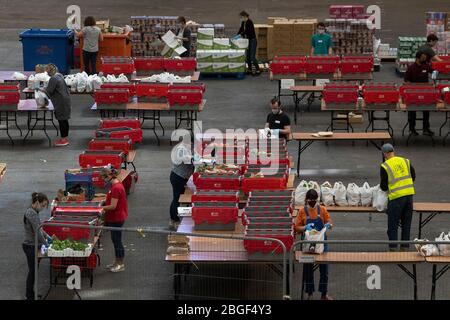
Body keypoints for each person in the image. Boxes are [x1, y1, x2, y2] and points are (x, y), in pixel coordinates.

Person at [294, 189, 333, 300]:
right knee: (308, 269)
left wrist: (328, 225)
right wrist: (305, 227)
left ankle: (323, 294)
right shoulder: (302, 211)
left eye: (314, 200)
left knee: (324, 269)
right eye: (310, 200)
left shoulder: (323, 210)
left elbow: (329, 221)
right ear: (306, 200)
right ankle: (309, 293)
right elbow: (296, 227)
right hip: (307, 245)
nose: (312, 202)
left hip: (322, 244)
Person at [379, 144, 416, 251]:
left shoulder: (385, 166)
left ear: (384, 154)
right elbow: (413, 176)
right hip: (409, 196)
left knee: (393, 224)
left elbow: (384, 186)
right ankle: (404, 247)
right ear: (393, 151)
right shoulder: (405, 161)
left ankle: (393, 248)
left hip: (396, 198)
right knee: (406, 224)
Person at [23, 192, 51, 300]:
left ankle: (31, 293)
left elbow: (40, 229)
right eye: (43, 205)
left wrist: (48, 237)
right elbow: (38, 232)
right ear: (37, 202)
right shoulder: (31, 213)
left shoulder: (34, 211)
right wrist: (46, 243)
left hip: (34, 245)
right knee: (32, 271)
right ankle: (29, 296)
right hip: (30, 245)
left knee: (34, 271)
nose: (43, 208)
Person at [101, 166, 128, 273]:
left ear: (109, 175)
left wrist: (100, 208)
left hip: (117, 218)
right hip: (115, 217)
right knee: (115, 240)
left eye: (104, 178)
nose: (103, 180)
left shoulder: (116, 188)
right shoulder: (115, 185)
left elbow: (113, 206)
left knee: (117, 241)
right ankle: (116, 262)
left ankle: (120, 263)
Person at [404, 52, 434, 136]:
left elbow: (433, 71)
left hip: (425, 92)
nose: (425, 59)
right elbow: (406, 80)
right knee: (412, 110)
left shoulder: (426, 66)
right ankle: (412, 129)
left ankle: (426, 128)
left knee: (427, 109)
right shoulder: (411, 68)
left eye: (425, 58)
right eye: (423, 58)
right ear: (418, 58)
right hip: (414, 93)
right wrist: (412, 86)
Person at [170, 134, 194, 230]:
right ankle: (174, 219)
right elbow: (190, 160)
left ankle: (177, 217)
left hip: (183, 177)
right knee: (177, 198)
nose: (192, 145)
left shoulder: (187, 147)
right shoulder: (181, 149)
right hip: (178, 177)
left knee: (179, 198)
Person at [43, 64, 72, 147]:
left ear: (49, 71)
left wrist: (41, 89)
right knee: (64, 120)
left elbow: (49, 92)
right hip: (65, 100)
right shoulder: (59, 76)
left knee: (61, 120)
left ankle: (64, 140)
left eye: (47, 71)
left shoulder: (53, 79)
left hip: (60, 102)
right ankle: (65, 137)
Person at [237, 11, 260, 75]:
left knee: (252, 56)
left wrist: (241, 34)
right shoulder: (243, 22)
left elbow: (248, 31)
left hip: (252, 41)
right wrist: (237, 35)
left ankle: (257, 69)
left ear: (245, 16)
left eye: (241, 17)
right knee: (248, 57)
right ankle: (250, 69)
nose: (240, 18)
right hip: (248, 41)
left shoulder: (250, 22)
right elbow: (241, 29)